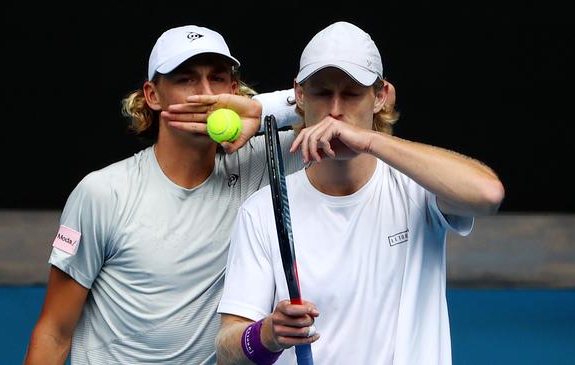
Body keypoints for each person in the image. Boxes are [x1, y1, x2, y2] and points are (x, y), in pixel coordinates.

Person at [215, 21, 505, 365]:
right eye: (322, 93)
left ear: (381, 97)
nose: (336, 109)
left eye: (352, 94)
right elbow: (227, 349)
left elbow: (488, 194)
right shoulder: (261, 211)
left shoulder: (417, 189)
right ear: (300, 97)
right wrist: (267, 335)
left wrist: (369, 140)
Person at [22, 24, 308, 364]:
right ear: (152, 95)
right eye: (185, 79)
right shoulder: (102, 193)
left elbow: (356, 118)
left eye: (217, 79)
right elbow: (54, 332)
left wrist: (263, 109)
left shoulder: (265, 161)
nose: (205, 94)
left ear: (234, 91)